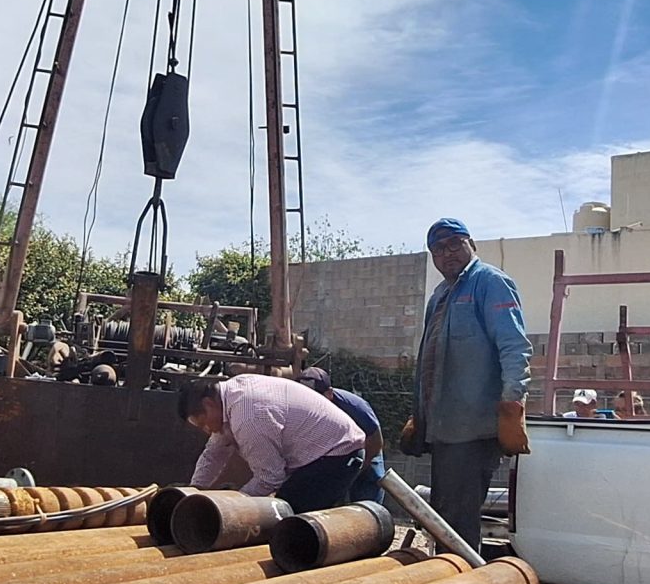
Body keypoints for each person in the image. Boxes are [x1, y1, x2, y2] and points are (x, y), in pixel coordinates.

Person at [402, 217, 531, 553]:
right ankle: (451, 581)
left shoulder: (490, 283)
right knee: (445, 515)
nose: (448, 253)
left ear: (471, 244)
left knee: (459, 520)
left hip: (474, 430)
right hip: (443, 429)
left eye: (455, 244)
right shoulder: (440, 295)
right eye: (438, 249)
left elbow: (514, 346)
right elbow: (430, 361)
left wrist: (511, 404)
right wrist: (421, 414)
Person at [178, 373, 368, 511]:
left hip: (338, 454)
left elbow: (270, 477)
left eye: (204, 424)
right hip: (324, 451)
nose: (207, 430)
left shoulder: (248, 416)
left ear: (208, 405)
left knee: (286, 516)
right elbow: (213, 453)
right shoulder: (230, 395)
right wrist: (194, 491)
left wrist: (234, 507)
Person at [297, 367, 387, 506]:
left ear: (330, 393)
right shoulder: (298, 407)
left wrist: (359, 469)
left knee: (368, 491)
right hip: (331, 452)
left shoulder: (355, 407)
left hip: (365, 449)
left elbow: (376, 441)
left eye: (316, 398)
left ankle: (371, 515)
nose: (310, 403)